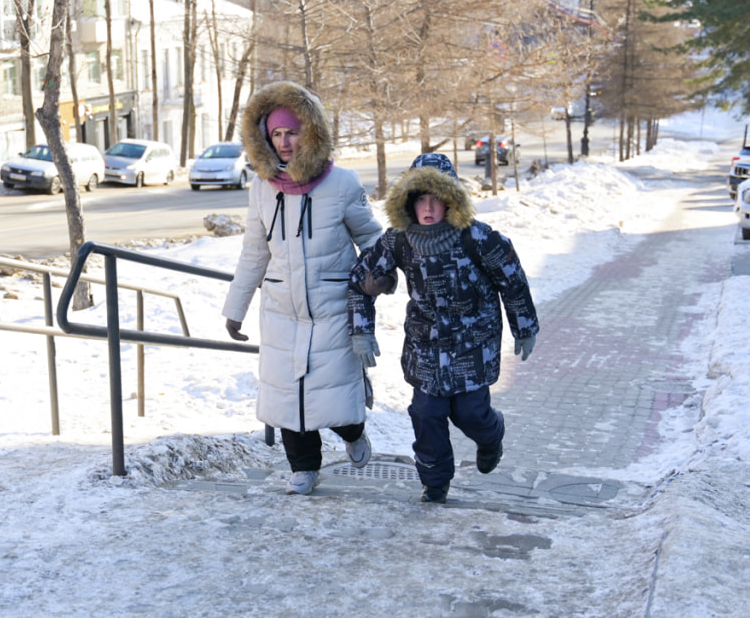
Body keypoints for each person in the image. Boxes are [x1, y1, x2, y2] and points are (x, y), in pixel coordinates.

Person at [222, 80, 384, 496]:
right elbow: (254, 252)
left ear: (310, 131)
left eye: (291, 131)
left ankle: (353, 433)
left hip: (332, 306)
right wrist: (235, 307)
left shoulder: (343, 184)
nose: (284, 142)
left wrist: (380, 274)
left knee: (333, 395)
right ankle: (304, 467)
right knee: (287, 395)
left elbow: (372, 240)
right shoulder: (261, 188)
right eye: (275, 134)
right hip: (280, 307)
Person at [348, 153, 539, 504]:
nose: (429, 207)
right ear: (408, 201)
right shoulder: (399, 240)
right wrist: (362, 329)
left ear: (452, 200)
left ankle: (491, 435)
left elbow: (512, 280)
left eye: (437, 198)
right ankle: (435, 482)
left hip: (473, 346)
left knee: (470, 414)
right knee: (426, 414)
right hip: (426, 347)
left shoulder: (477, 238)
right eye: (421, 197)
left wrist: (524, 326)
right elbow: (361, 280)